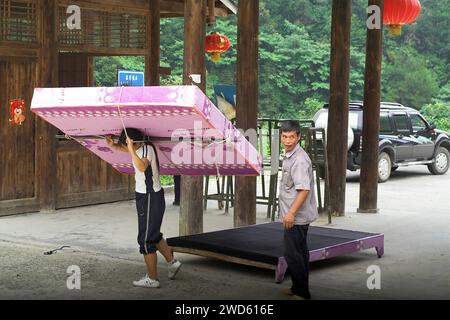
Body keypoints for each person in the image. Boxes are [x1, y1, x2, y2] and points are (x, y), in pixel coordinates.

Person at [106, 128, 182, 288]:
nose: (127, 146)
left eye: (129, 143)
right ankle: (172, 262)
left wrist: (131, 148)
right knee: (153, 234)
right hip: (149, 197)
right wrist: (114, 146)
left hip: (149, 197)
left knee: (146, 240)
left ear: (135, 142)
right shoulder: (143, 146)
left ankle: (152, 279)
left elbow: (141, 166)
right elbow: (127, 150)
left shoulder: (146, 151)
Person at [278, 120, 318, 300]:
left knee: (292, 254)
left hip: (295, 216)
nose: (288, 141)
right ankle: (297, 288)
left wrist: (291, 213)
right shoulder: (291, 155)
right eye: (285, 137)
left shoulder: (299, 160)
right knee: (300, 252)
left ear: (299, 137)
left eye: (292, 137)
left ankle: (302, 293)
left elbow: (303, 190)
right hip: (294, 214)